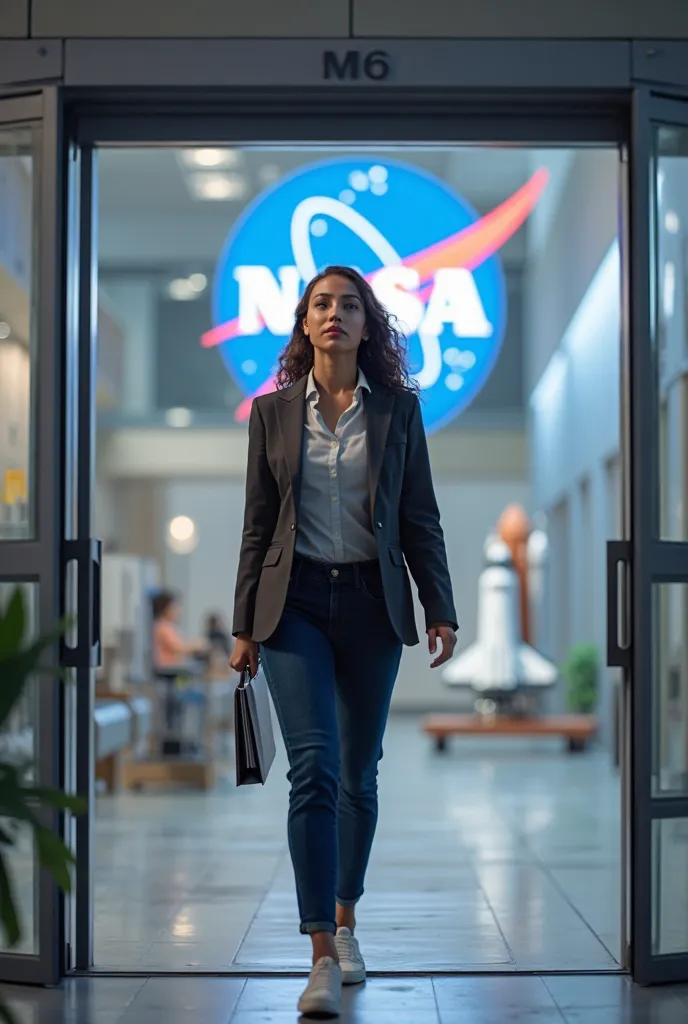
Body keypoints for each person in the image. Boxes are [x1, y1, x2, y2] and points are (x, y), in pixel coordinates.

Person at [229, 265, 458, 1018]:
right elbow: (257, 525)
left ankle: (348, 915)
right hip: (292, 605)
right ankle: (321, 950)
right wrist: (242, 625)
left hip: (370, 602)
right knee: (316, 769)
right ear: (303, 323)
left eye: (349, 304)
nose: (334, 314)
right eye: (321, 304)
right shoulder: (271, 415)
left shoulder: (399, 412)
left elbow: (419, 518)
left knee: (361, 770)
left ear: (368, 325)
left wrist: (440, 608)